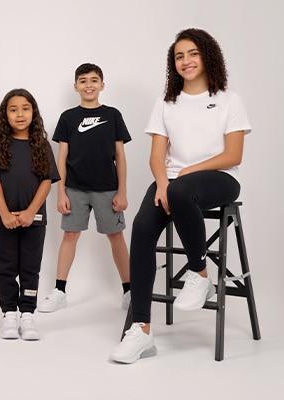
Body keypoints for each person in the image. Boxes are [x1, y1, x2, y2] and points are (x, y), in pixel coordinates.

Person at [111, 28, 251, 364]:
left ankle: (200, 273)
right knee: (143, 228)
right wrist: (161, 183)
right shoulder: (166, 103)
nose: (185, 61)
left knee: (183, 187)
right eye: (178, 56)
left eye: (192, 54)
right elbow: (156, 156)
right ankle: (142, 331)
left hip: (218, 179)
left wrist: (188, 172)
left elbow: (234, 155)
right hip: (171, 183)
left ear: (207, 56)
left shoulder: (229, 100)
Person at [39, 63, 133, 314]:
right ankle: (59, 291)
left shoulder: (113, 114)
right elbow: (62, 157)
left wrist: (122, 191)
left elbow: (120, 155)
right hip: (75, 189)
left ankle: (129, 291)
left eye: (94, 80)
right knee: (70, 236)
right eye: (83, 80)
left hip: (107, 189)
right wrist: (60, 192)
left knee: (116, 237)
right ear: (75, 86)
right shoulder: (68, 118)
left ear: (102, 85)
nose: (88, 85)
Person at [0, 89, 59, 340]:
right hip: (3, 220)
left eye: (25, 108)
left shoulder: (41, 145)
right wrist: (4, 213)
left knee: (30, 268)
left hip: (33, 220)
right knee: (5, 267)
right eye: (13, 109)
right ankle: (9, 314)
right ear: (5, 115)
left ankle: (27, 314)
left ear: (33, 112)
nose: (19, 114)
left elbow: (47, 181)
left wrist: (29, 212)